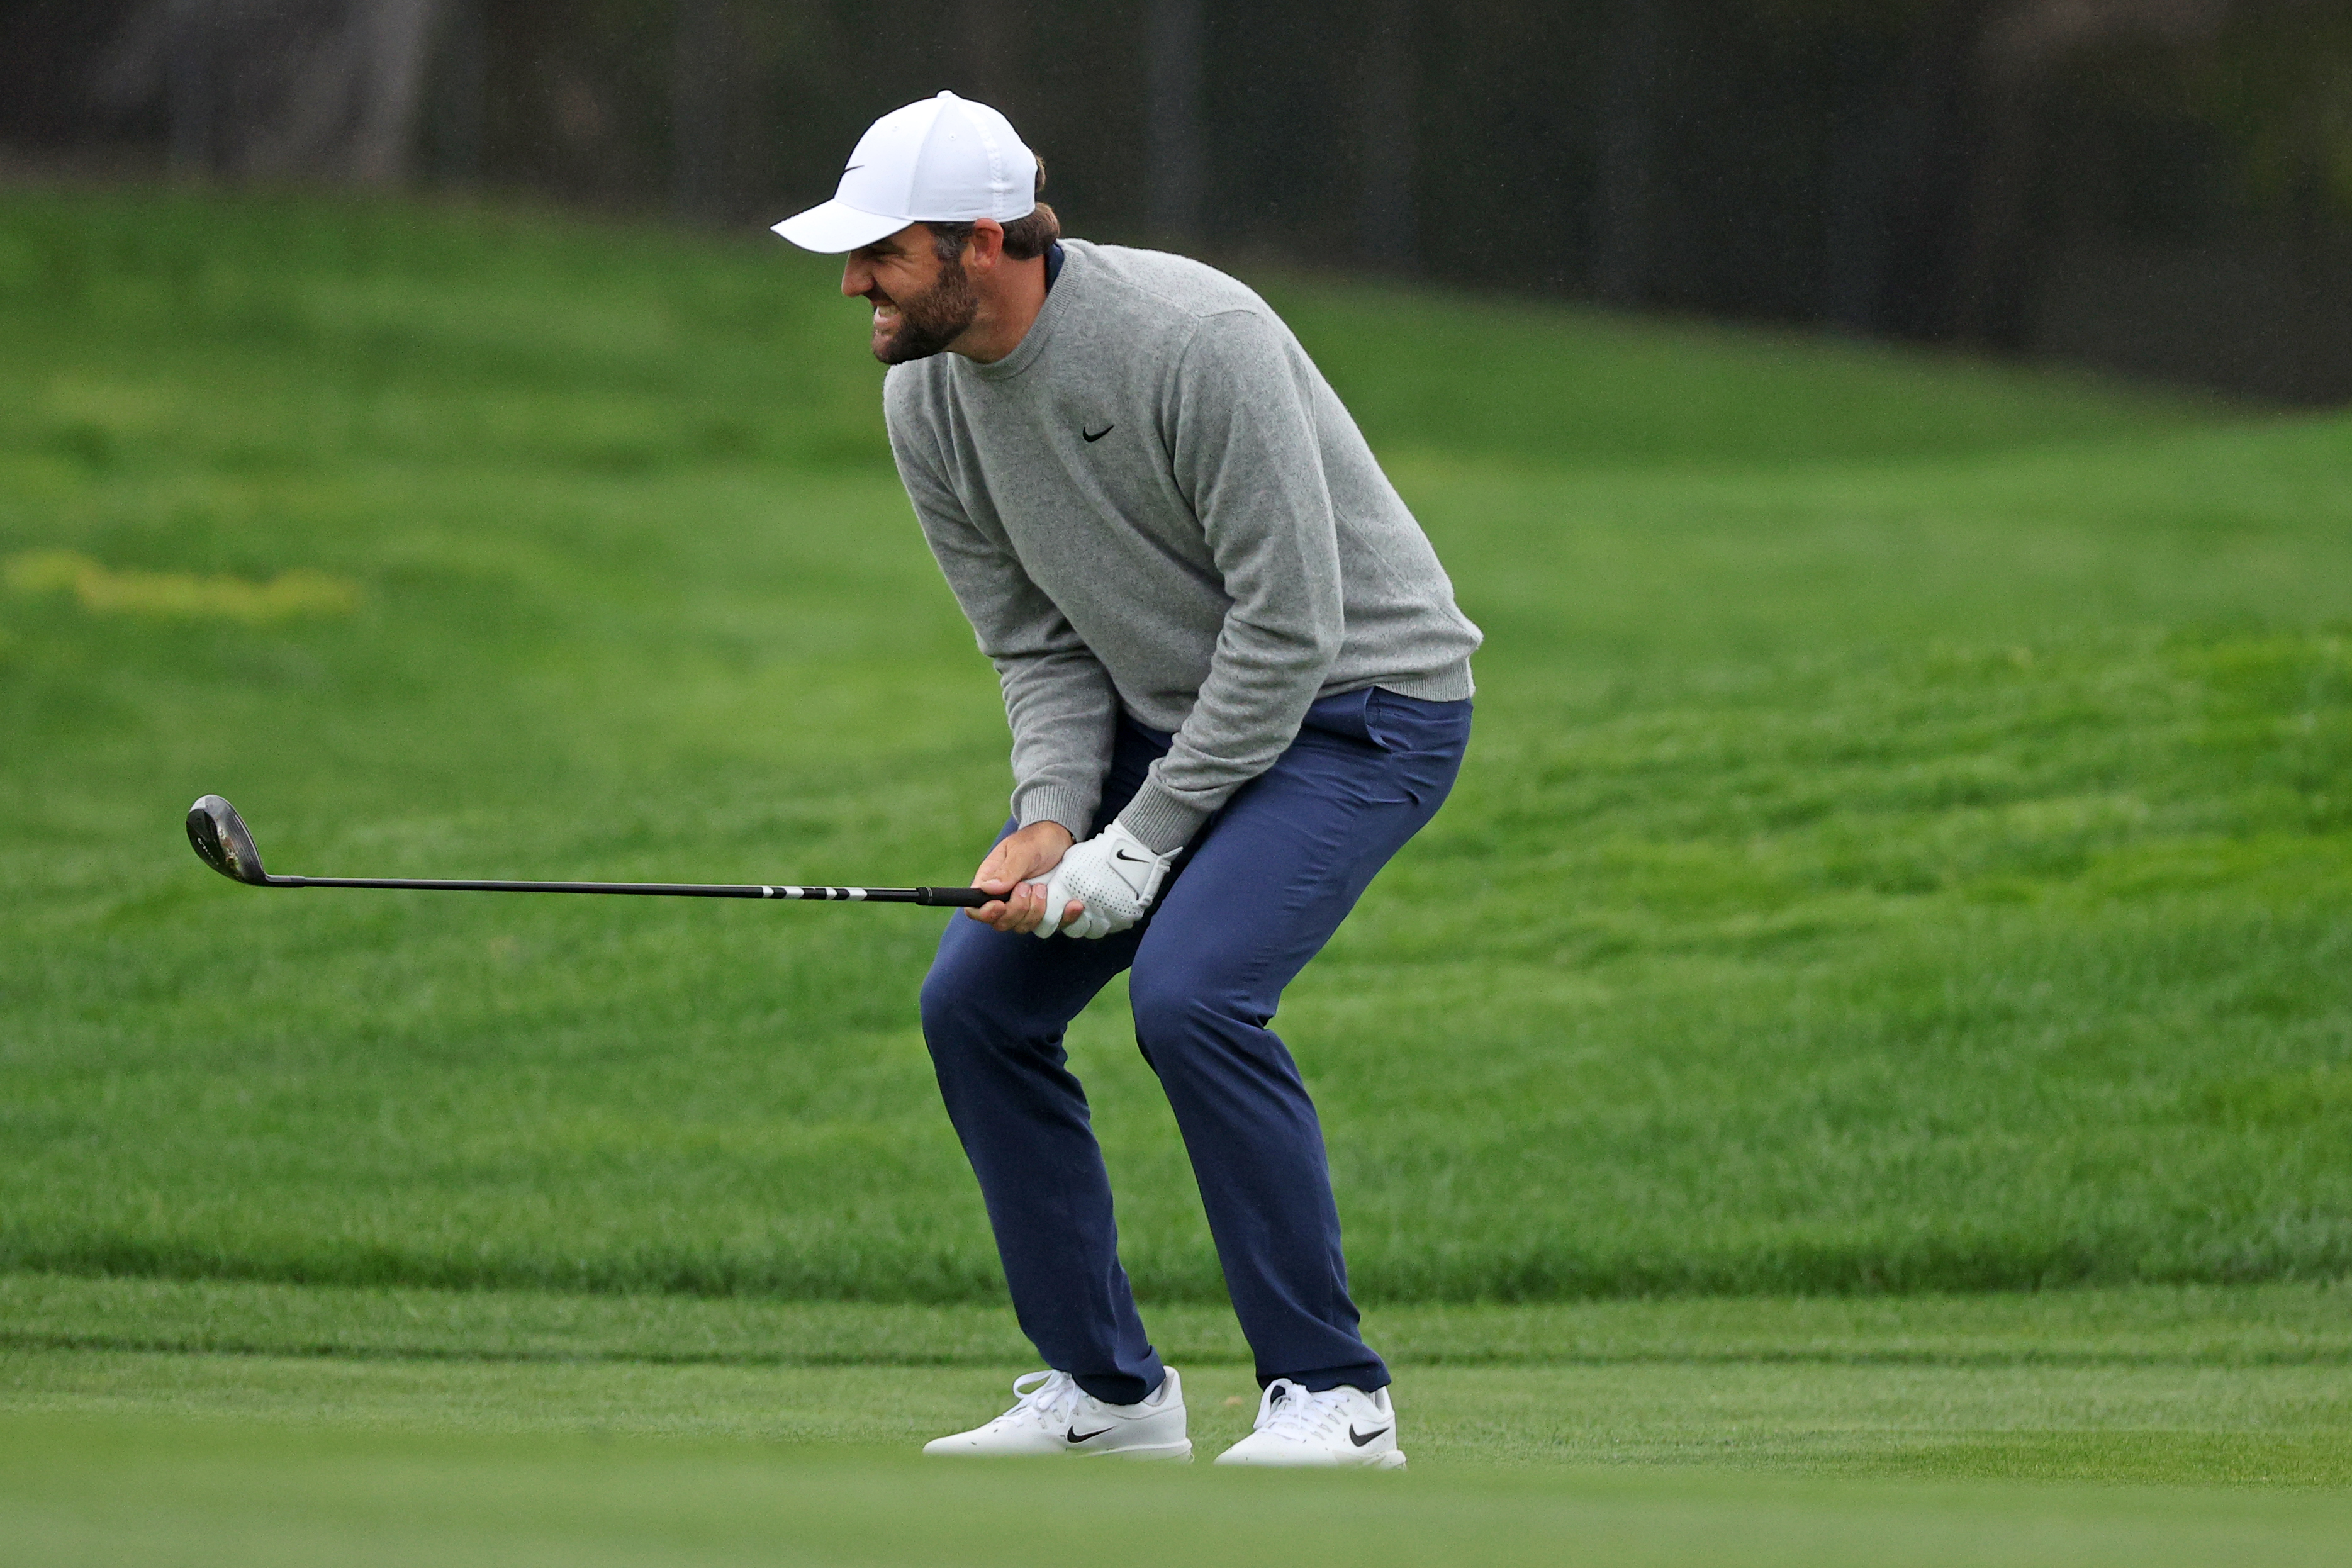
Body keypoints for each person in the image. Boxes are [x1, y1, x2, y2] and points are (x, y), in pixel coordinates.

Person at [772, 91, 1480, 1469]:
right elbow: (1035, 645)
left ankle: (1335, 1394)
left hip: (1364, 711)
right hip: (1176, 719)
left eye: (883, 254)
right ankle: (1108, 1388)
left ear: (983, 246)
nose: (853, 281)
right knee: (975, 1006)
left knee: (1195, 996)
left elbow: (1292, 631)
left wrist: (1139, 845)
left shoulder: (1193, 340)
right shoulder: (923, 397)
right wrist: (1051, 825)